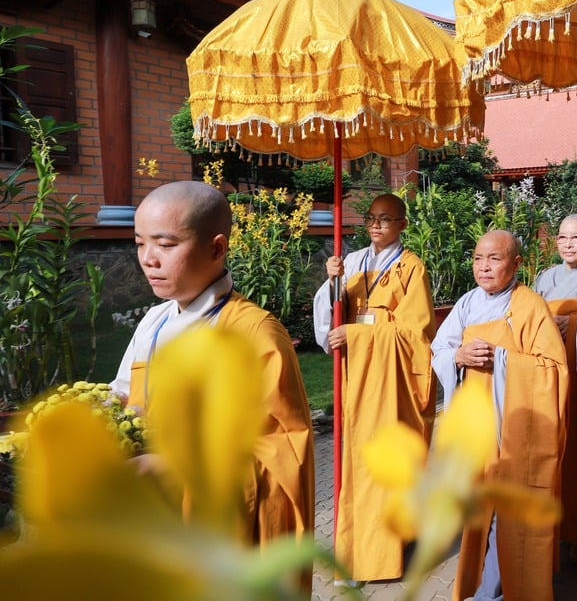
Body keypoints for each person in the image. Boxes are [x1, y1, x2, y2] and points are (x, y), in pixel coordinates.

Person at [112, 181, 315, 567]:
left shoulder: (255, 332)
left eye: (166, 245)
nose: (148, 259)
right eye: (140, 243)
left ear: (217, 247)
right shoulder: (154, 321)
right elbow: (124, 397)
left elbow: (283, 452)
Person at [431, 229, 569, 601]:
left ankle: (491, 592)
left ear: (516, 264)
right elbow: (440, 346)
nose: (484, 267)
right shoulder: (467, 303)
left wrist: (502, 358)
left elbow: (553, 369)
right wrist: (457, 357)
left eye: (494, 259)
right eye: (478, 258)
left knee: (504, 513)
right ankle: (486, 585)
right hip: (475, 426)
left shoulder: (530, 306)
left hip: (513, 426)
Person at [312, 192, 436, 582]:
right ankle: (357, 545)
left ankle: (378, 554)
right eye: (370, 218)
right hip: (355, 375)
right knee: (355, 462)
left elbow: (415, 332)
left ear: (402, 224)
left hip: (388, 380)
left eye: (386, 219)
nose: (376, 225)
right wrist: (332, 282)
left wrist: (360, 334)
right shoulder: (351, 262)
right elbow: (333, 312)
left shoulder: (412, 267)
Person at [533, 213, 577, 565]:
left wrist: (571, 323)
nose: (568, 244)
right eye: (562, 238)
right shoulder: (545, 278)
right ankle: (553, 526)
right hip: (547, 375)